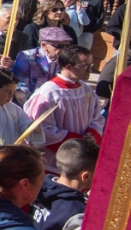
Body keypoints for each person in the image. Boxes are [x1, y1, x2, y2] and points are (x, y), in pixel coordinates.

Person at [24, 45, 105, 174]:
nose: (90, 70)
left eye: (91, 65)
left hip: (82, 157)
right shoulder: (49, 93)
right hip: (55, 162)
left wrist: (92, 134)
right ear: (68, 66)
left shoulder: (86, 90)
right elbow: (40, 128)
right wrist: (77, 141)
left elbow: (97, 118)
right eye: (85, 66)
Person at [0, 69, 44, 157]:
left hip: (14, 156)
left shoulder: (12, 107)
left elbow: (24, 123)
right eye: (8, 92)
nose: (11, 96)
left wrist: (33, 128)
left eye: (13, 92)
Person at [11, 27, 71, 103]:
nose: (64, 50)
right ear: (44, 45)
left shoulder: (66, 60)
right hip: (29, 106)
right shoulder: (27, 57)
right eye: (59, 46)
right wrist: (34, 109)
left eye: (66, 45)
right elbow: (20, 89)